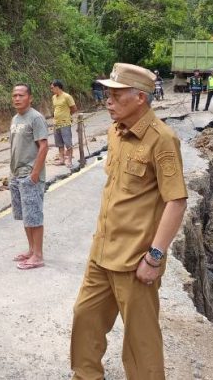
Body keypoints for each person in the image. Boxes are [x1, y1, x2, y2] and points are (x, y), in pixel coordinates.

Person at [70, 62, 188, 380]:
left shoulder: (162, 139)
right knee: (85, 318)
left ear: (140, 98)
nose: (108, 100)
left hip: (136, 260)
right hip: (103, 252)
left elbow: (176, 201)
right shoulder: (115, 131)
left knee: (140, 343)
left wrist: (155, 256)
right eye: (107, 93)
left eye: (116, 95)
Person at [9, 83, 49, 270]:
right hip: (16, 174)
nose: (17, 98)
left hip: (30, 175)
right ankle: (31, 250)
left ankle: (38, 255)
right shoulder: (15, 119)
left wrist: (34, 174)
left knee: (34, 215)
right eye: (14, 95)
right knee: (25, 216)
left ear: (30, 98)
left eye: (21, 95)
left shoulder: (36, 118)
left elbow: (43, 146)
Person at [50, 79, 78, 167]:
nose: (51, 90)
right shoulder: (54, 97)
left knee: (68, 143)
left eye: (52, 88)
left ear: (57, 87)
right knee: (59, 143)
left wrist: (67, 115)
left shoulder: (67, 96)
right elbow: (56, 108)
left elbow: (73, 108)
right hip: (56, 123)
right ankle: (62, 159)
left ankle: (69, 160)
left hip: (65, 123)